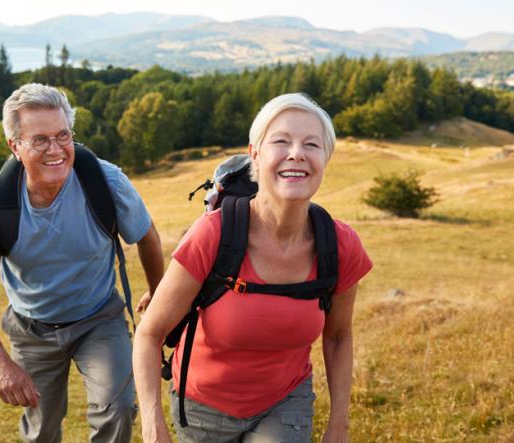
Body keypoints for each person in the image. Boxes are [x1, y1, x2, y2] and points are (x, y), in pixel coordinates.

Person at [133, 93, 373, 442]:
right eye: (281, 141)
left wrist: (339, 425)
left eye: (311, 144)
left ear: (325, 159)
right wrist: (153, 427)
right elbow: (149, 334)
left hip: (285, 400)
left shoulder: (339, 245)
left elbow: (337, 336)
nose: (297, 153)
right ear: (255, 156)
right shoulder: (214, 234)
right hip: (203, 404)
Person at [0, 83, 164, 443]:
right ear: (15, 146)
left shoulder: (107, 181)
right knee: (41, 431)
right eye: (39, 140)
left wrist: (158, 294)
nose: (56, 149)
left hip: (99, 318)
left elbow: (146, 237)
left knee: (117, 409)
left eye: (62, 135)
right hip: (31, 328)